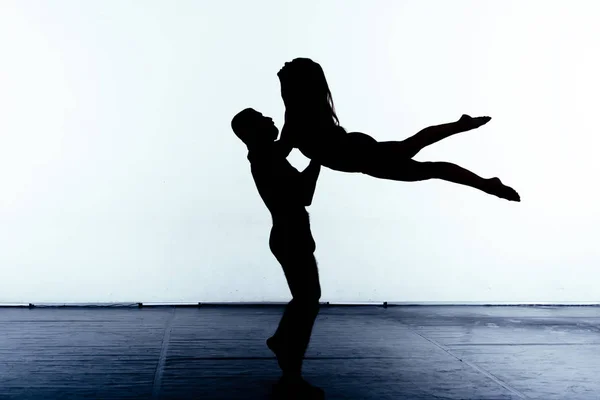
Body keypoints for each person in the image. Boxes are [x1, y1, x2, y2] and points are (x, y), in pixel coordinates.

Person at [277, 57, 521, 202]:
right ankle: (484, 175)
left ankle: (468, 140)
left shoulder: (297, 118)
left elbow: (280, 152)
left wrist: (255, 150)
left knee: (419, 155)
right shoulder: (304, 112)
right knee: (423, 159)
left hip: (360, 155)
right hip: (360, 155)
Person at [231, 108, 325, 399]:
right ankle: (290, 366)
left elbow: (287, 138)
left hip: (289, 235)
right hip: (290, 236)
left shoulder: (266, 155)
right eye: (262, 119)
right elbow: (304, 193)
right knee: (308, 301)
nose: (269, 119)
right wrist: (318, 158)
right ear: (252, 131)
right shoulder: (265, 156)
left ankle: (284, 347)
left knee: (306, 300)